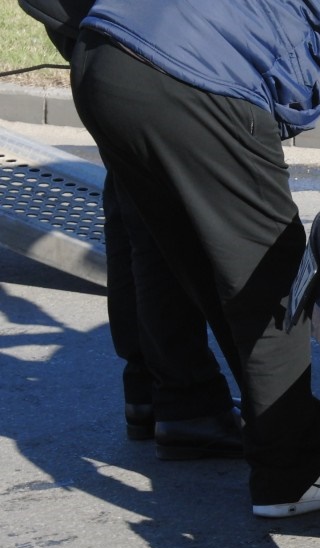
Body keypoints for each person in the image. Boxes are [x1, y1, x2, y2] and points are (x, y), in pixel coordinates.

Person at [70, 0, 320, 518]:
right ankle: (291, 474)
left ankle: (194, 413)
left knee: (190, 260)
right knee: (276, 284)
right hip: (194, 79)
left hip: (104, 55)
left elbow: (313, 49)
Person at [17, 0, 243, 458]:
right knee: (156, 211)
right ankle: (184, 401)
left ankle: (154, 392)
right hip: (133, 24)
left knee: (133, 195)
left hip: (95, 16)